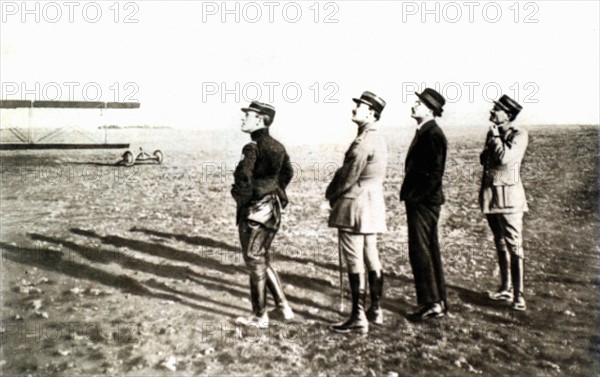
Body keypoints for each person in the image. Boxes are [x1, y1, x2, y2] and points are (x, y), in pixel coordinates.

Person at [326, 91, 388, 334]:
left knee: (354, 259)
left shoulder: (363, 142)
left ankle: (358, 317)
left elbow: (347, 176)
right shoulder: (378, 138)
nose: (355, 109)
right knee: (371, 255)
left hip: (355, 205)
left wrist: (330, 195)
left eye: (360, 106)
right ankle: (376, 309)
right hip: (372, 205)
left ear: (372, 113)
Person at [231, 101, 295, 327]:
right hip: (273, 211)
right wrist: (274, 190)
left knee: (254, 263)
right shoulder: (277, 146)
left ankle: (260, 316)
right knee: (262, 259)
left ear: (259, 120)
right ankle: (284, 307)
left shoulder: (252, 147)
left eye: (247, 116)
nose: (242, 119)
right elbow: (288, 172)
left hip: (254, 213)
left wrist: (244, 199)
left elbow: (243, 180)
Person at [400, 88, 449, 321]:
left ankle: (432, 303)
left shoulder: (432, 135)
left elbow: (434, 174)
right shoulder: (426, 132)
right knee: (425, 249)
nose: (413, 106)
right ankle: (434, 301)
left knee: (422, 251)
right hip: (423, 201)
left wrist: (415, 198)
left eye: (418, 103)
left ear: (429, 110)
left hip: (423, 203)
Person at [479, 94, 528, 311]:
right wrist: (493, 139)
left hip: (509, 199)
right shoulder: (494, 133)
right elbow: (485, 160)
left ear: (507, 115)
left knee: (514, 245)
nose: (491, 112)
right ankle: (505, 287)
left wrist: (496, 138)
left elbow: (504, 159)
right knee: (499, 242)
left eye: (496, 109)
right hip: (492, 196)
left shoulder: (519, 134)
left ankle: (519, 295)